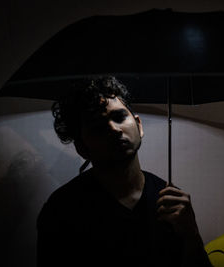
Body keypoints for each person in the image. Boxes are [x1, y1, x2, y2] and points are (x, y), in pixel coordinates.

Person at [37, 76, 212, 267]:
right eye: (98, 126)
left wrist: (191, 234)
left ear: (139, 125)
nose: (114, 129)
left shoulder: (168, 200)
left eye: (119, 117)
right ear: (82, 147)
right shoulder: (63, 210)